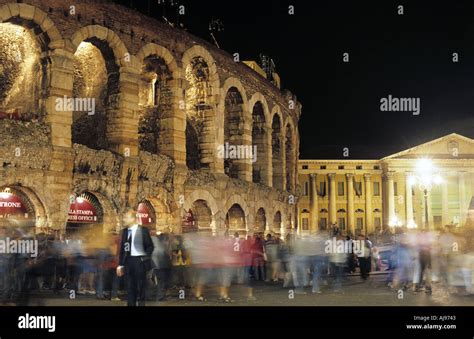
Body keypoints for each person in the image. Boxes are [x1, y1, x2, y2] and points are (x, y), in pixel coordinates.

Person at [117, 208, 154, 306]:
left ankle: (141, 304)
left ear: (133, 219)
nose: (124, 219)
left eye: (126, 217)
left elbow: (150, 246)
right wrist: (120, 265)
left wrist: (144, 258)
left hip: (140, 261)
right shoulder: (125, 231)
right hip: (129, 262)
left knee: (141, 286)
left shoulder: (143, 230)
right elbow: (122, 248)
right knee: (130, 287)